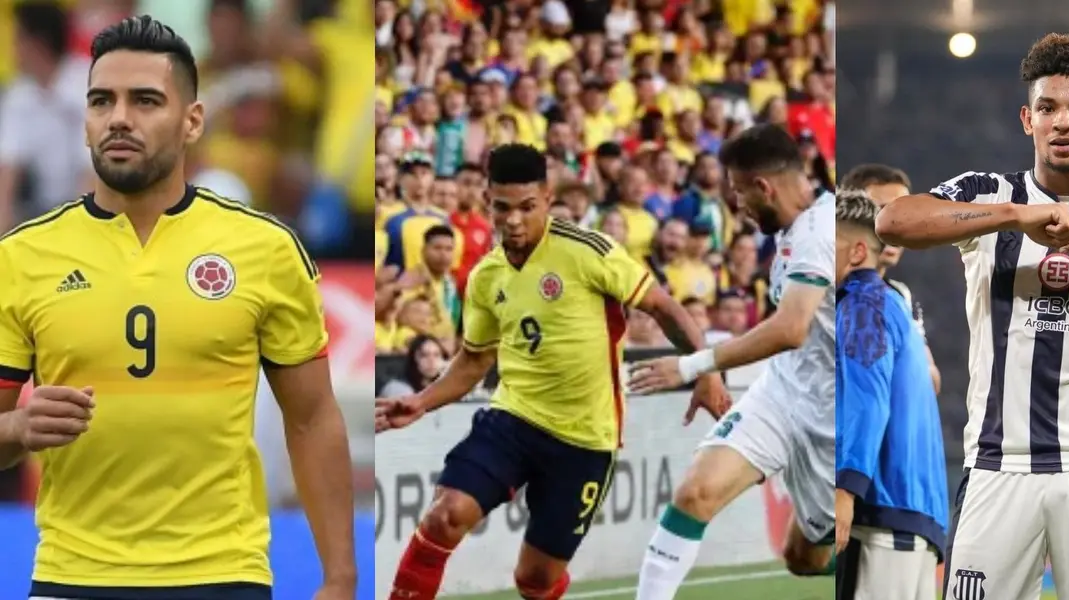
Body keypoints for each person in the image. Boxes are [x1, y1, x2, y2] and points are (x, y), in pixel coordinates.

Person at [0, 16, 356, 600]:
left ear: (193, 121)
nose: (118, 118)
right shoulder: (21, 257)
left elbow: (313, 418)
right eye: (101, 101)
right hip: (72, 576)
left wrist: (341, 578)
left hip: (223, 575)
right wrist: (16, 425)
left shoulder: (265, 249)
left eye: (145, 100)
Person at [876, 32, 1069, 600]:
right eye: (1048, 108)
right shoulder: (987, 196)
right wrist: (1013, 217)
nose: (1064, 123)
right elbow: (894, 221)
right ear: (1028, 119)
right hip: (997, 466)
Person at [375, 143, 731, 600]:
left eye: (527, 207)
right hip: (512, 420)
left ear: (546, 198)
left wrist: (705, 370)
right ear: (488, 202)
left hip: (585, 439)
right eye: (502, 208)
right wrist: (422, 402)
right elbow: (475, 360)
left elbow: (662, 306)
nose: (514, 221)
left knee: (536, 580)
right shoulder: (486, 277)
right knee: (445, 515)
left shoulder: (589, 252)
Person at [629, 124, 836, 598]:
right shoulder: (793, 228)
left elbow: (790, 328)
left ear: (764, 187)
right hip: (782, 393)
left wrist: (691, 366)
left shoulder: (821, 231)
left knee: (804, 560)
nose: (736, 204)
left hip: (833, 415)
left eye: (739, 192)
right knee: (695, 493)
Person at [833, 189, 949, 599]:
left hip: (882, 513)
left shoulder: (860, 305)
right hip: (916, 514)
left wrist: (845, 490)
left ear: (857, 251)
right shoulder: (894, 305)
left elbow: (868, 403)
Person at [840, 163, 941, 394]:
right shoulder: (831, 292)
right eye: (881, 210)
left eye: (905, 213)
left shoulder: (901, 296)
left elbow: (931, 380)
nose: (896, 223)